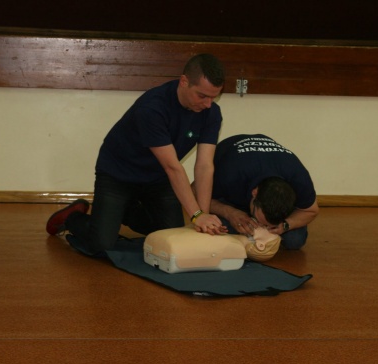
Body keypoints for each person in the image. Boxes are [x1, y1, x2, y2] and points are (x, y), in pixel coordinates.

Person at [46, 53, 227, 254]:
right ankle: (72, 218)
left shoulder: (211, 113)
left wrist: (204, 217)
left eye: (213, 97)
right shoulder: (153, 108)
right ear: (184, 81)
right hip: (118, 174)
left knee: (173, 235)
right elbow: (172, 167)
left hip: (157, 177)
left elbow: (204, 166)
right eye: (202, 96)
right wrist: (196, 215)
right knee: (102, 246)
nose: (208, 104)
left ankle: (122, 210)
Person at [208, 134, 319, 250]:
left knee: (294, 240)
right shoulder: (230, 174)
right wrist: (231, 213)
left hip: (259, 177)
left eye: (267, 225)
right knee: (217, 228)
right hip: (233, 188)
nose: (261, 226)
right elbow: (199, 197)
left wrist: (286, 225)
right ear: (255, 193)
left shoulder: (298, 178)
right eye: (259, 220)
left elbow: (311, 210)